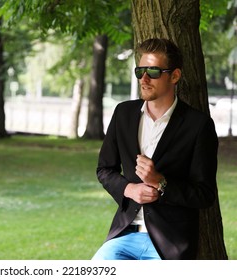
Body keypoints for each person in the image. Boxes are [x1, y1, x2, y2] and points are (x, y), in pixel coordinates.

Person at [91, 38, 218, 260]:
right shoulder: (123, 114)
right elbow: (104, 170)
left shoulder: (198, 125)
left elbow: (204, 195)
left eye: (154, 71)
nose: (145, 78)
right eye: (140, 71)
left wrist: (160, 182)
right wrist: (129, 189)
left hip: (169, 243)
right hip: (124, 234)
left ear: (175, 76)